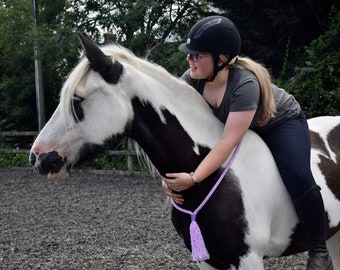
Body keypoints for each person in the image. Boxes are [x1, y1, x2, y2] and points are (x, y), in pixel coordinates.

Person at [161, 16, 333, 270]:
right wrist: (169, 177)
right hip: (241, 125)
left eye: (197, 55)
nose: (190, 60)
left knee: (298, 176)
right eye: (190, 55)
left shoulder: (245, 85)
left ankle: (319, 251)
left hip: (279, 124)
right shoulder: (192, 79)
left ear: (220, 60)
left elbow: (229, 140)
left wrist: (195, 178)